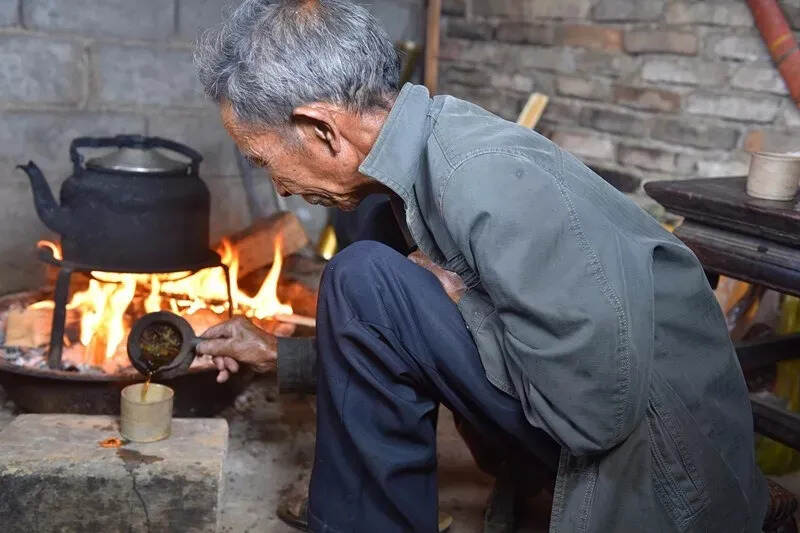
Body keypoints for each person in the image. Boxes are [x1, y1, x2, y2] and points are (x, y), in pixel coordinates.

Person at [193, 1, 769, 531]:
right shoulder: (414, 166)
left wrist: (455, 302)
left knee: (364, 278)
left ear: (322, 129)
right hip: (600, 420)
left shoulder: (485, 177)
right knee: (376, 256)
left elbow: (594, 416)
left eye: (264, 160)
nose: (281, 190)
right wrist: (283, 354)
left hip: (669, 474)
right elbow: (413, 339)